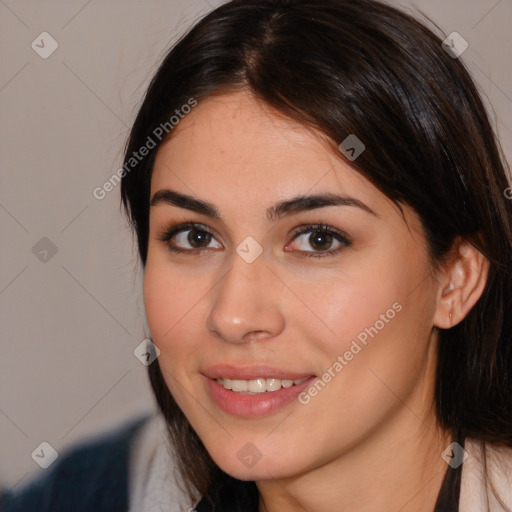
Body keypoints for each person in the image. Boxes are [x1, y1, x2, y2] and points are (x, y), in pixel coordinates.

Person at [2, 0, 512, 510]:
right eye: (195, 237)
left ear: (456, 279)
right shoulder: (98, 491)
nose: (234, 315)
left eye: (317, 239)